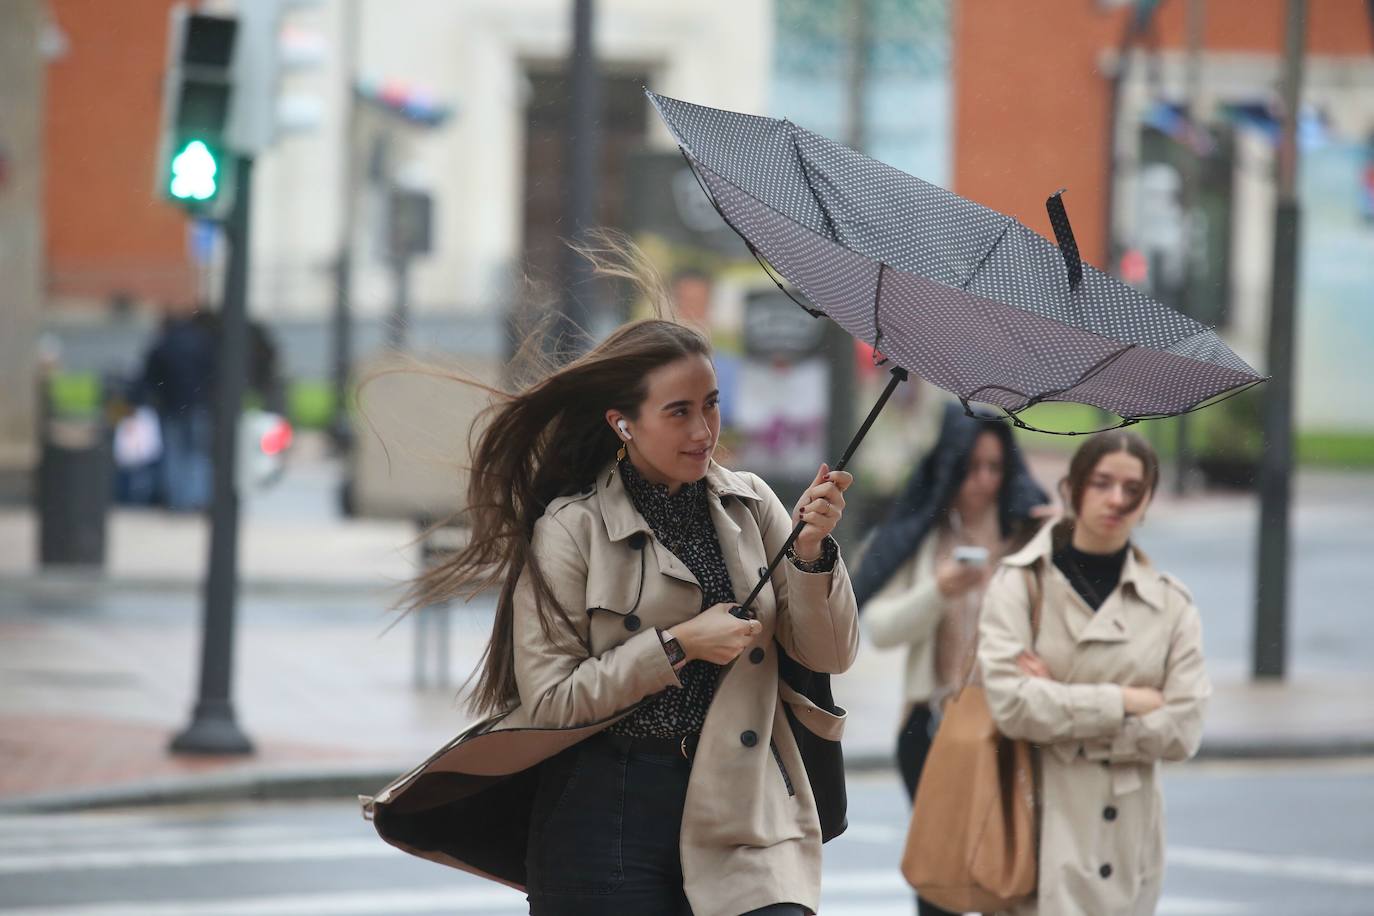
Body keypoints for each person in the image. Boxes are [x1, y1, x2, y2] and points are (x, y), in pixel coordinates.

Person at [375, 313, 860, 915]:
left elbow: (830, 654)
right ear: (622, 423)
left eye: (710, 405)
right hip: (608, 812)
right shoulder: (571, 529)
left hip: (745, 806)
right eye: (677, 411)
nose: (703, 430)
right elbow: (551, 701)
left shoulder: (752, 505)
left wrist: (811, 554)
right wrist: (678, 645)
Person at [977, 430, 1211, 916]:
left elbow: (1183, 731)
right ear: (1072, 487)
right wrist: (1126, 702)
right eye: (1102, 483)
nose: (1117, 500)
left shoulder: (1170, 603)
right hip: (1033, 822)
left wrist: (1060, 702)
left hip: (1125, 840)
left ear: (1147, 500)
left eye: (1133, 489)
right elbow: (1012, 707)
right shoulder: (1020, 583)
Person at [854, 402, 1048, 916]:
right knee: (940, 877)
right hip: (932, 726)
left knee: (1010, 869)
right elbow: (880, 628)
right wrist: (937, 590)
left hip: (1012, 724)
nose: (983, 480)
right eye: (971, 467)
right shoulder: (924, 535)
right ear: (949, 466)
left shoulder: (1027, 537)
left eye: (994, 467)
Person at [139, 302, 216, 511]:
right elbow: (213, 371)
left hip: (170, 406)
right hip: (198, 405)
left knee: (173, 453)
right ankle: (199, 498)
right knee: (198, 453)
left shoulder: (164, 343)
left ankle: (177, 501)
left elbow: (149, 376)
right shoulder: (201, 342)